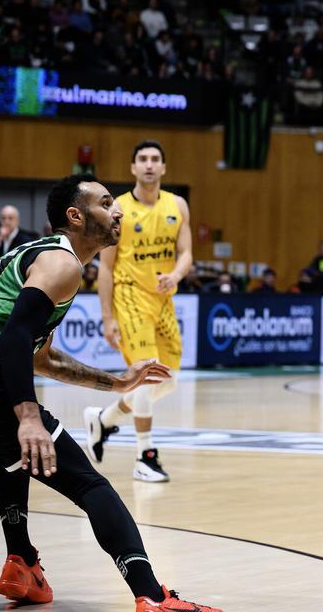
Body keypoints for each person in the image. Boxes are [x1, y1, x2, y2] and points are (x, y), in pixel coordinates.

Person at [0, 175, 220, 611]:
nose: (118, 210)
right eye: (106, 203)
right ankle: (153, 597)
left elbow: (42, 359)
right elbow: (13, 339)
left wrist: (118, 382)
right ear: (76, 216)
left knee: (10, 452)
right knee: (89, 484)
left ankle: (22, 561)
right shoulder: (61, 263)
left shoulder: (39, 260)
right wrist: (28, 415)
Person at [87, 141, 192, 484]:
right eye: (142, 160)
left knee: (169, 380)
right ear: (133, 168)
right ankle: (145, 456)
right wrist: (107, 317)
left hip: (163, 300)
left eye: (155, 159)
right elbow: (105, 267)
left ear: (164, 167)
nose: (149, 165)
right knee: (148, 375)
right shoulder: (117, 208)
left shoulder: (178, 205)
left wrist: (175, 275)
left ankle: (103, 420)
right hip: (129, 299)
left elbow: (187, 253)